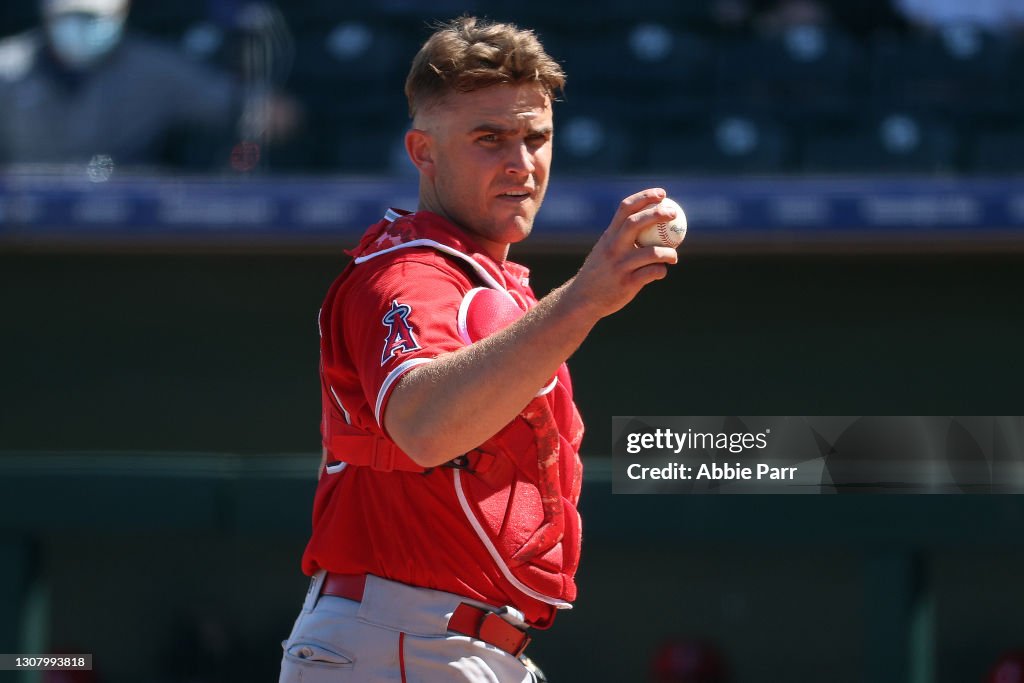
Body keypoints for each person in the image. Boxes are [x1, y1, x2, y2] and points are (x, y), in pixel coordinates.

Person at [278, 16, 680, 683]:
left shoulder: (488, 282)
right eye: (489, 139)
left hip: (446, 643)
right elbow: (423, 426)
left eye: (537, 137)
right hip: (399, 640)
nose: (520, 163)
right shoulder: (406, 273)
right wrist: (584, 297)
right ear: (423, 151)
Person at [0, 0, 298, 169]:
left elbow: (270, 112)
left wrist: (253, 128)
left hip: (125, 210)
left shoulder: (154, 68)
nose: (81, 27)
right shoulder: (7, 66)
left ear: (121, 15)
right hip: (22, 217)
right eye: (71, 17)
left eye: (93, 17)